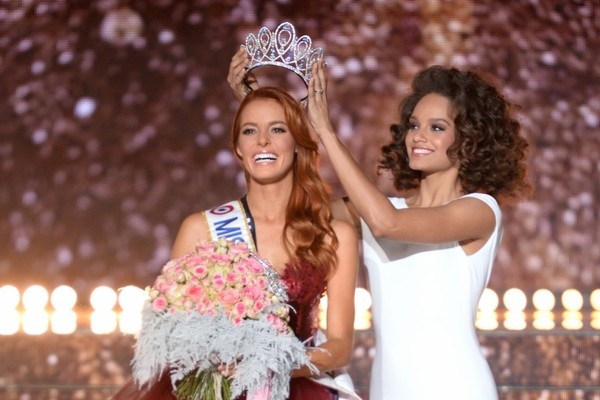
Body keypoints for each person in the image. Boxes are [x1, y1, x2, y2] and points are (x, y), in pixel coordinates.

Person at [228, 50, 531, 399]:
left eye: (437, 128)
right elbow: (294, 204)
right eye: (414, 125)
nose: (418, 136)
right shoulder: (381, 210)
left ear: (470, 140)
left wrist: (324, 128)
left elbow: (388, 224)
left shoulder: (480, 210)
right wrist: (261, 114)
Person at [112, 87, 359, 399]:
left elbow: (338, 348)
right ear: (238, 148)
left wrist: (269, 363)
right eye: (250, 130)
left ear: (297, 143)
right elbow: (169, 334)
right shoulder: (200, 229)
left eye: (278, 129)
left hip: (294, 383)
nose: (263, 141)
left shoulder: (334, 236)